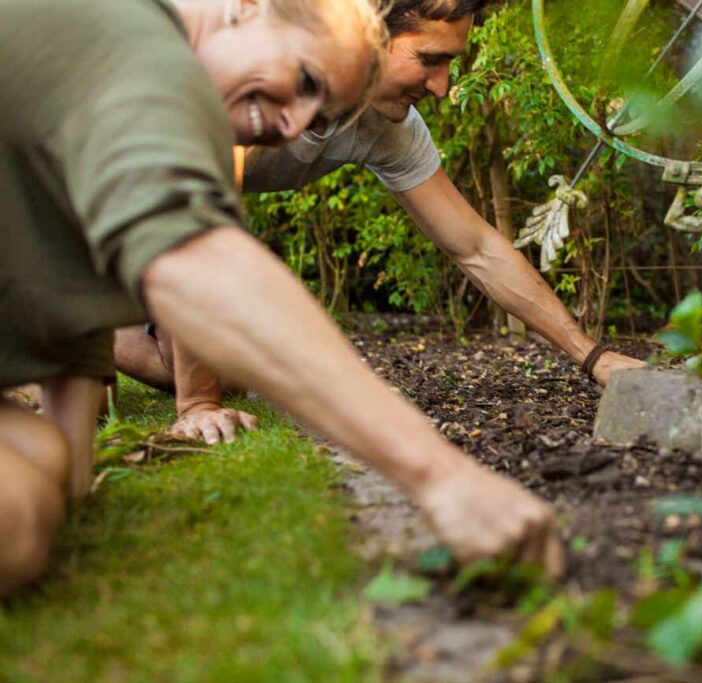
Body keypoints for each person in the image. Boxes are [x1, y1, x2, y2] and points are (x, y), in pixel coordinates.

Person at [1, 0, 562, 596]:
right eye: (307, 81)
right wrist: (440, 474)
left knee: (43, 478)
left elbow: (60, 251)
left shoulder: (129, 92)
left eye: (322, 113)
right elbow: (199, 265)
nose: (294, 128)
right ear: (248, 8)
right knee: (17, 521)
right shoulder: (136, 47)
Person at [113, 0, 648, 445]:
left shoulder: (387, 127)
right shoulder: (248, 63)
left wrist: (594, 358)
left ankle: (96, 326)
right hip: (90, 179)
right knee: (151, 386)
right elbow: (200, 223)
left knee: (225, 369)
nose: (441, 87)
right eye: (429, 60)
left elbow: (476, 247)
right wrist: (197, 406)